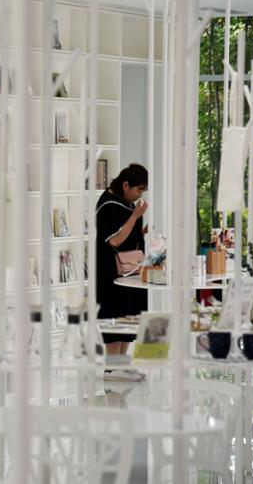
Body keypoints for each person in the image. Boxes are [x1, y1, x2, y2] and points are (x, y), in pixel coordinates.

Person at [95, 163, 149, 381]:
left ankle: (122, 365)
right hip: (112, 272)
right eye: (139, 190)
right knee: (114, 314)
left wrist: (141, 230)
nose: (139, 195)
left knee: (129, 313)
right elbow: (115, 239)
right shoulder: (108, 205)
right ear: (125, 185)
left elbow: (127, 234)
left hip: (130, 269)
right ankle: (111, 368)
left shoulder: (125, 202)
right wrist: (135, 217)